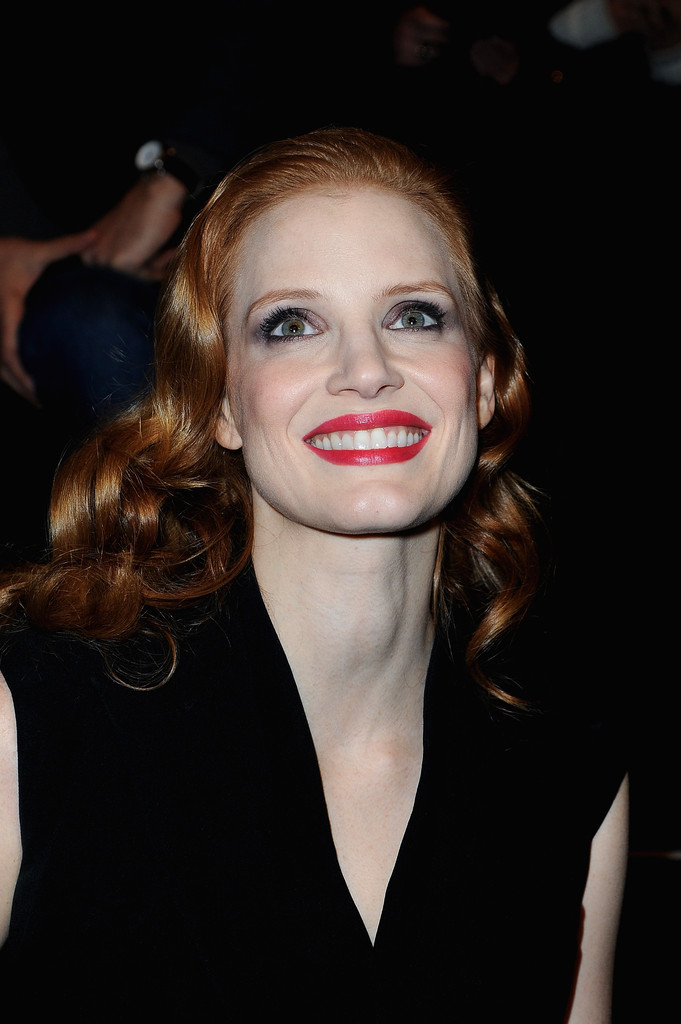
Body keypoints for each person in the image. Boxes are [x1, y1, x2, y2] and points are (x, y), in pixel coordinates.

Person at [0, 126, 628, 1020]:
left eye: (414, 316)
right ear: (220, 402)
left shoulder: (566, 760)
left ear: (484, 381)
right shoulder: (33, 719)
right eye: (290, 325)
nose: (365, 370)